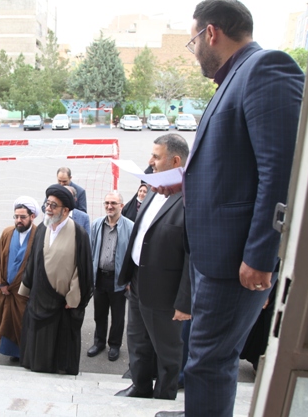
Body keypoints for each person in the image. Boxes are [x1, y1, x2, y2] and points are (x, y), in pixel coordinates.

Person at [154, 0, 304, 417]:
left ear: (211, 33)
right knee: (203, 357)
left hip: (237, 260)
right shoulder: (235, 78)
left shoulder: (266, 68)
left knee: (210, 361)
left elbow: (282, 171)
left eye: (193, 42)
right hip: (214, 256)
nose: (194, 52)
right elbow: (237, 166)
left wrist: (260, 255)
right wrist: (183, 182)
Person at [114, 134, 191, 400]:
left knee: (167, 350)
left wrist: (185, 302)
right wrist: (129, 275)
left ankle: (164, 396)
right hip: (137, 282)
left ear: (176, 161)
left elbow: (192, 256)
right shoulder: (151, 188)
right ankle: (140, 386)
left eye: (156, 157)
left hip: (166, 293)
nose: (150, 162)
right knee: (137, 341)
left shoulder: (190, 199)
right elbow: (141, 235)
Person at [19, 185, 94, 375]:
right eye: (47, 204)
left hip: (62, 301)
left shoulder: (78, 234)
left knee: (59, 343)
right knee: (37, 340)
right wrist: (26, 288)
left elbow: (82, 269)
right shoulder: (42, 229)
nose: (48, 209)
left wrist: (73, 298)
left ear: (65, 210)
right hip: (39, 295)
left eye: (54, 205)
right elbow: (33, 260)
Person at [87, 191, 134, 362]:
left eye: (113, 203)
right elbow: (91, 250)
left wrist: (130, 280)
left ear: (121, 205)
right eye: (107, 203)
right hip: (99, 277)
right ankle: (99, 342)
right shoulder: (97, 224)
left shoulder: (130, 227)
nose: (109, 206)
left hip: (118, 279)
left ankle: (114, 345)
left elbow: (134, 256)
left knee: (118, 316)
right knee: (99, 314)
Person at [0, 196, 40, 362]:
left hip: (26, 293)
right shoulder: (7, 233)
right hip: (7, 291)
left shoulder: (39, 234)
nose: (19, 220)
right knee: (8, 321)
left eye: (22, 217)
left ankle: (27, 353)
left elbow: (41, 265)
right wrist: (0, 284)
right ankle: (13, 352)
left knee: (25, 323)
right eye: (16, 217)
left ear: (32, 216)